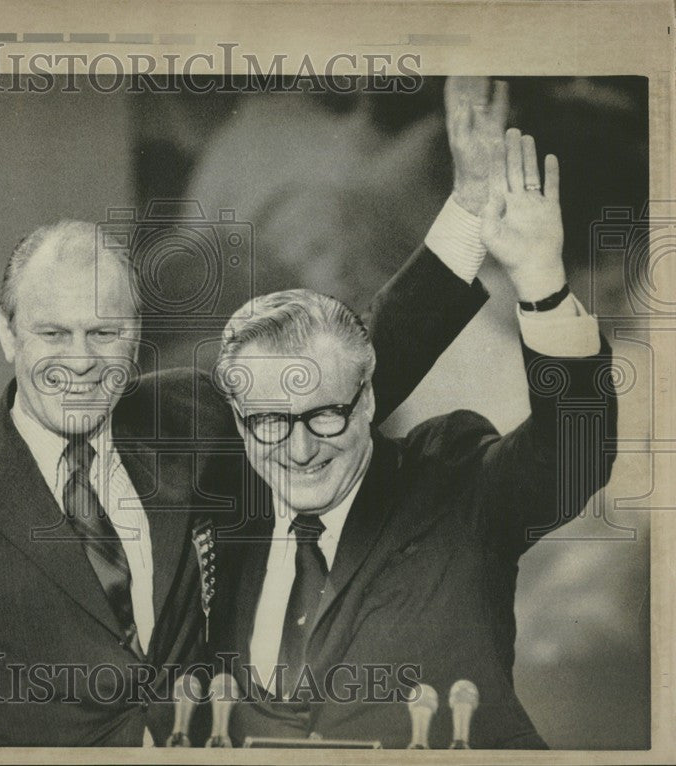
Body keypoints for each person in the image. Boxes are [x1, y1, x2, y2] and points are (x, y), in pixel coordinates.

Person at [0, 79, 504, 747]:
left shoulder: (189, 417)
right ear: (8, 335)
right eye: (54, 333)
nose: (82, 362)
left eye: (105, 333)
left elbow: (363, 362)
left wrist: (469, 215)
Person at [207, 129, 617, 748]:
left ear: (369, 400)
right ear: (242, 424)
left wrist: (541, 283)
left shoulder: (445, 483)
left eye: (327, 416)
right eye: (269, 423)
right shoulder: (216, 524)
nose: (300, 449)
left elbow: (573, 456)